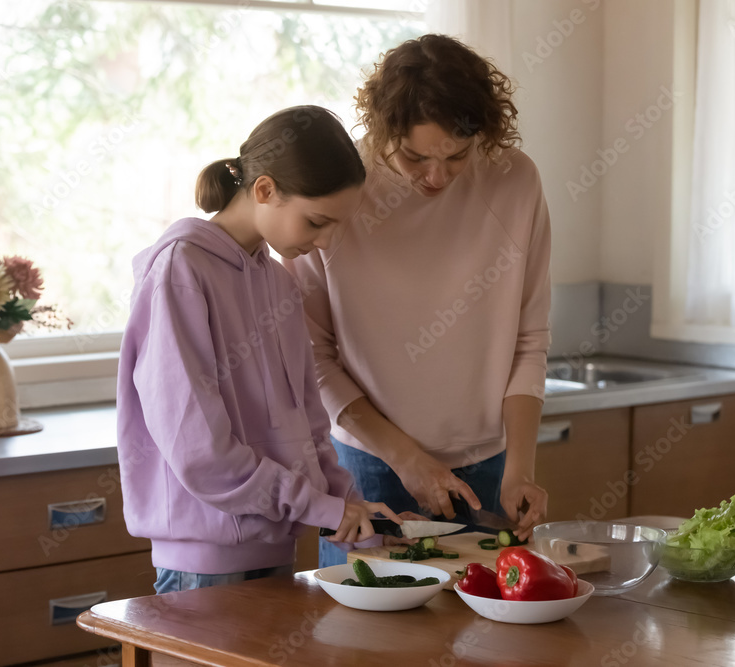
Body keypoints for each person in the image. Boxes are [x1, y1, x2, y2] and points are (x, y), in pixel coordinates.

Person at [283, 35, 553, 567]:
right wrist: (405, 458)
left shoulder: (515, 181)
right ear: (384, 129)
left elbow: (530, 339)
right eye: (414, 156)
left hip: (488, 467)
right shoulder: (337, 191)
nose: (436, 176)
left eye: (456, 156)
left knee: (479, 642)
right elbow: (312, 358)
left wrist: (521, 468)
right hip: (369, 464)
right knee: (362, 646)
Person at [116, 105, 400, 594]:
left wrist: (351, 506)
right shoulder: (180, 273)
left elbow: (309, 424)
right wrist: (321, 507)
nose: (326, 242)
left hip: (277, 550)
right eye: (317, 222)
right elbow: (201, 451)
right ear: (265, 190)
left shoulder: (279, 284)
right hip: (203, 565)